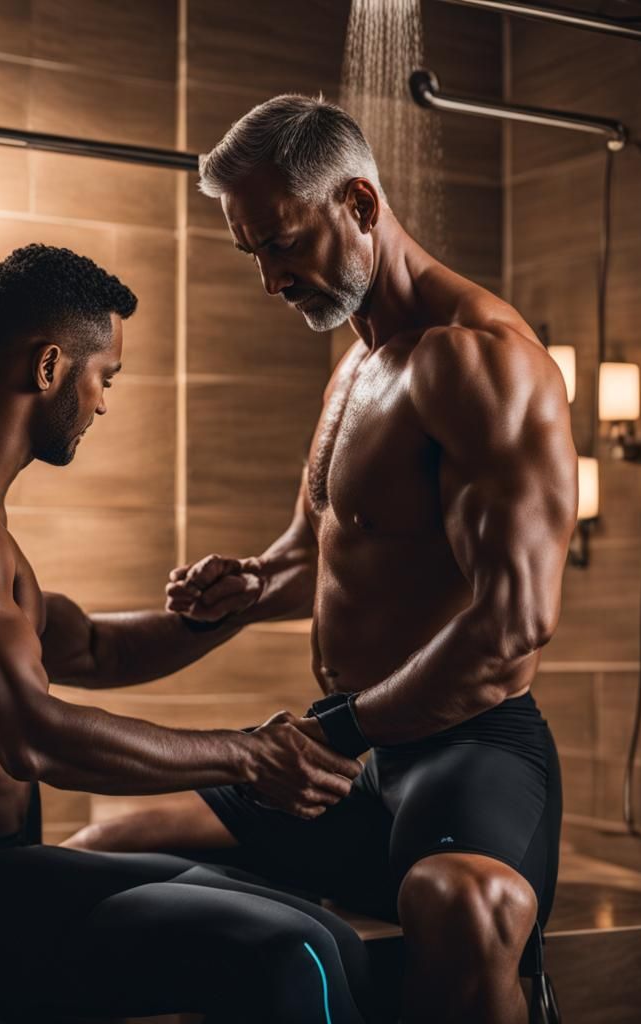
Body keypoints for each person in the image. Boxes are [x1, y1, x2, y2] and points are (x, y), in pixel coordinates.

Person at [65, 94, 577, 1024]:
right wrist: (249, 586)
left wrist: (336, 732)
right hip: (351, 756)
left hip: (463, 753)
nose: (270, 280)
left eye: (283, 243)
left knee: (457, 905)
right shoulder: (355, 366)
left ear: (362, 206)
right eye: (251, 252)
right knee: (104, 853)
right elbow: (321, 558)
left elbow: (513, 628)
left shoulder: (483, 362)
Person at [0, 243, 375, 1023]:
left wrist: (224, 609)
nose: (104, 404)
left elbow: (89, 650)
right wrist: (246, 756)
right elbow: (33, 738)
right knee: (297, 954)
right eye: (104, 377)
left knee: (329, 934)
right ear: (50, 366)